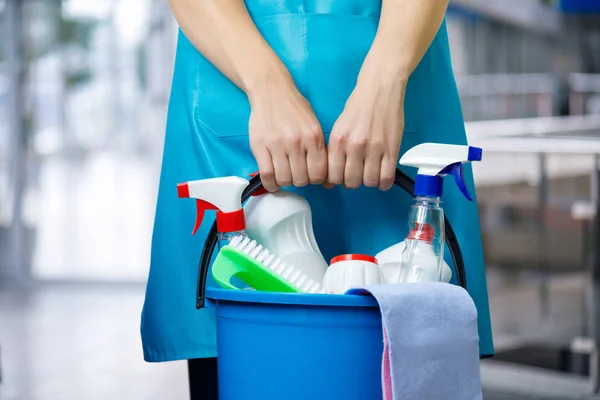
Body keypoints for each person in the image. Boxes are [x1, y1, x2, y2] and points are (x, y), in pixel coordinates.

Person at [141, 0, 494, 398]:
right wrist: (267, 86)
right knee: (247, 355)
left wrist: (384, 81)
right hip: (234, 90)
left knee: (416, 345)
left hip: (400, 95)